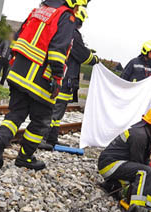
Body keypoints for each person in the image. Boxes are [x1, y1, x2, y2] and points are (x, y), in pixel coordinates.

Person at [0, 0, 83, 170]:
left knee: (16, 113)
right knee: (41, 121)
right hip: (40, 79)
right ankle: (25, 157)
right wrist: (57, 77)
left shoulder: (39, 11)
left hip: (18, 72)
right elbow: (57, 51)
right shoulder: (66, 17)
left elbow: (18, 38)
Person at [42, 6, 97, 148]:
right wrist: (94, 59)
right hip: (66, 79)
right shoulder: (74, 34)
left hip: (61, 77)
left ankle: (51, 139)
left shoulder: (64, 30)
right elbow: (82, 55)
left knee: (56, 110)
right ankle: (44, 138)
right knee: (56, 110)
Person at [98, 107, 151, 212]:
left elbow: (143, 161)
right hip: (109, 165)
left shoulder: (145, 133)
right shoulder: (140, 136)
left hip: (112, 164)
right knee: (144, 172)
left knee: (147, 171)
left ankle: (112, 185)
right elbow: (138, 163)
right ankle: (137, 209)